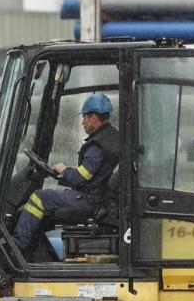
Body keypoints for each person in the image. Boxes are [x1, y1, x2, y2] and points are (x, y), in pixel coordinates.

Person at [13, 93, 120, 254]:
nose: (83, 122)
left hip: (89, 200)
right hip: (96, 198)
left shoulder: (97, 145)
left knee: (39, 197)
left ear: (93, 118)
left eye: (84, 117)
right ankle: (33, 251)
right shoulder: (110, 137)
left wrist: (64, 170)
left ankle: (17, 246)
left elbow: (81, 177)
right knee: (46, 206)